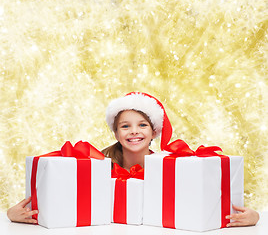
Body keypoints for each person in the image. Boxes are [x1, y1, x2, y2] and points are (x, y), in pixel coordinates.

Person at [7, 92, 259, 227]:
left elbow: (207, 198)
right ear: (116, 133)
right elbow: (56, 198)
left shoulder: (174, 168)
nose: (134, 131)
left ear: (154, 132)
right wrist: (13, 214)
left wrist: (253, 218)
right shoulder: (95, 167)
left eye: (142, 125)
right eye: (125, 126)